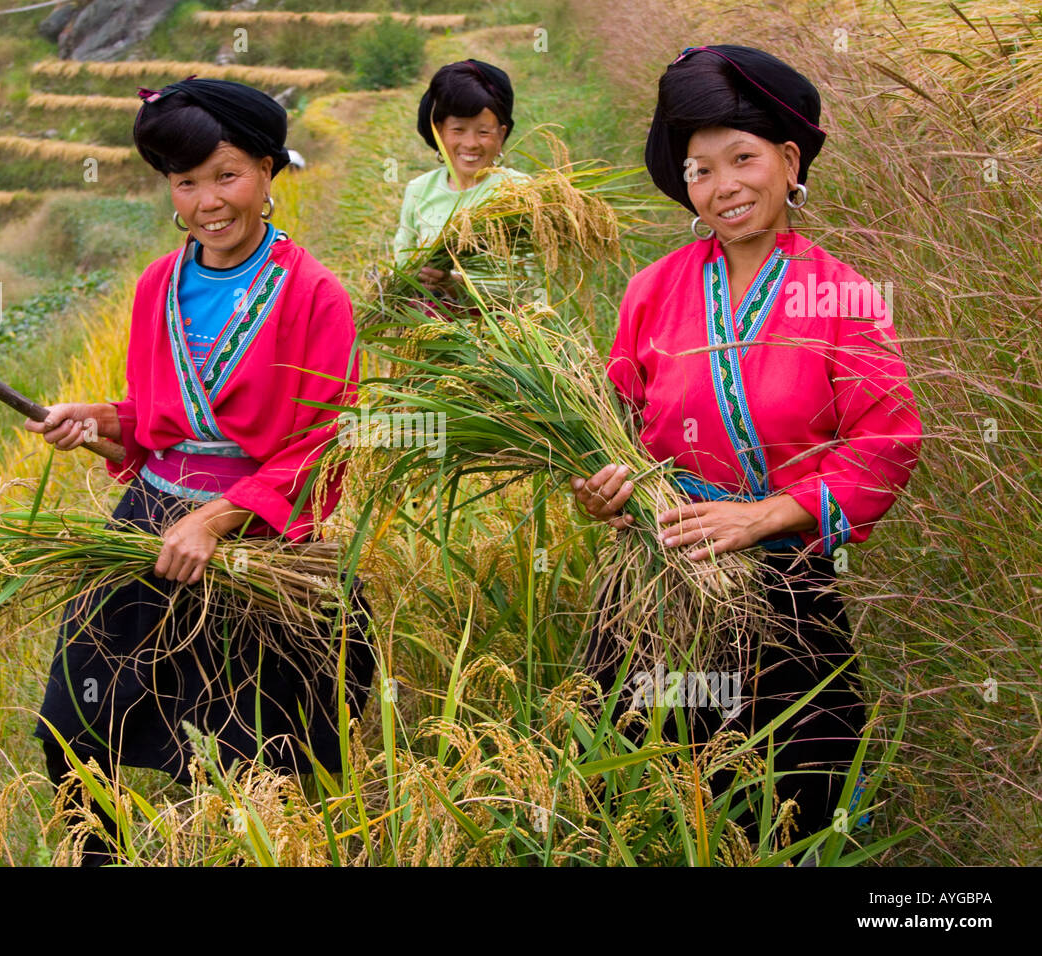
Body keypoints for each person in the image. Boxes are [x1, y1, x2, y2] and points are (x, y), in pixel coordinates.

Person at [570, 45, 922, 847]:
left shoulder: (842, 294)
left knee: (791, 803)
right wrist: (601, 489)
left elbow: (886, 439)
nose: (723, 185)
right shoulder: (651, 292)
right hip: (662, 581)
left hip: (786, 584)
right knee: (650, 794)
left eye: (742, 158)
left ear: (788, 159)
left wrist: (764, 517)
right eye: (699, 169)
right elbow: (613, 425)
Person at [22, 76, 375, 864]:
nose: (208, 201)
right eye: (186, 182)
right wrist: (97, 423)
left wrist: (215, 521)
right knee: (73, 725)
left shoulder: (316, 295)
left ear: (268, 170)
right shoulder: (159, 285)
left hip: (260, 540)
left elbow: (323, 447)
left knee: (244, 754)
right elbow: (155, 425)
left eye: (227, 175)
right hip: (150, 528)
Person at [394, 59, 532, 305]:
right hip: (427, 331)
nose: (470, 144)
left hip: (500, 333)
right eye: (458, 130)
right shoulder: (418, 190)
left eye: (483, 132)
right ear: (438, 131)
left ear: (501, 134)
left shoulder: (518, 192)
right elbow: (402, 265)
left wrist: (455, 285)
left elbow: (525, 281)